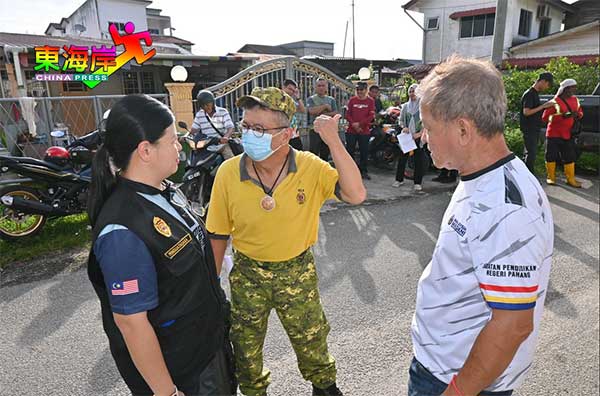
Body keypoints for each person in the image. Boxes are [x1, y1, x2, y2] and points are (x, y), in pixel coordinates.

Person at [206, 87, 366, 396]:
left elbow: (356, 194)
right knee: (245, 347)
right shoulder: (228, 173)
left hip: (297, 271)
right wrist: (211, 288)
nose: (251, 134)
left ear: (288, 132)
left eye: (261, 129)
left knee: (312, 338)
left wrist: (333, 140)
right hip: (248, 275)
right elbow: (217, 234)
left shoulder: (309, 166)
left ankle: (324, 387)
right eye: (247, 126)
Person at [409, 56, 554, 396]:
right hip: (443, 366)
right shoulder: (483, 176)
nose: (423, 137)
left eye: (429, 127)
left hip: (455, 381)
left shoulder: (503, 209)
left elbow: (512, 325)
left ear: (463, 129)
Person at [87, 94, 236, 396]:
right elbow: (131, 323)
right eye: (172, 140)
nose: (179, 147)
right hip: (180, 374)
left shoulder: (166, 192)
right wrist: (165, 392)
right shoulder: (121, 230)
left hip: (207, 348)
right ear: (145, 150)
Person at [542, 78, 584, 188]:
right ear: (565, 89)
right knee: (551, 155)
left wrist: (577, 115)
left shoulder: (575, 100)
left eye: (575, 88)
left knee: (569, 156)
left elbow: (580, 112)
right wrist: (562, 117)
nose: (574, 90)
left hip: (568, 133)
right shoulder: (554, 102)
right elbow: (545, 118)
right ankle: (551, 177)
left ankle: (570, 179)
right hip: (553, 134)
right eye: (572, 88)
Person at [520, 72, 555, 174]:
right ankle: (529, 176)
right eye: (547, 85)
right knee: (531, 154)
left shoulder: (535, 94)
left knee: (529, 153)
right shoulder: (530, 94)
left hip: (534, 128)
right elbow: (526, 112)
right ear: (543, 81)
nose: (547, 87)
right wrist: (543, 106)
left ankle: (525, 176)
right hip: (529, 128)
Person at [393, 84, 426, 191]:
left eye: (414, 91)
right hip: (407, 137)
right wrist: (404, 127)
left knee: (418, 160)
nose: (412, 94)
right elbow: (401, 120)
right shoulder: (405, 106)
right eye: (410, 92)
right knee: (402, 159)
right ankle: (399, 180)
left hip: (417, 137)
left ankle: (417, 182)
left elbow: (426, 123)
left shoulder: (423, 107)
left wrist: (420, 133)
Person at [191, 90, 236, 160]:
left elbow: (230, 127)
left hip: (221, 144)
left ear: (213, 102)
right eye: (204, 105)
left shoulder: (223, 112)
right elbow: (194, 129)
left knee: (229, 159)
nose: (207, 107)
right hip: (205, 144)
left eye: (208, 104)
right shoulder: (199, 114)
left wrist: (226, 137)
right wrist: (186, 136)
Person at [345, 81, 375, 180]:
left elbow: (371, 116)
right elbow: (347, 114)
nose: (359, 92)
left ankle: (363, 171)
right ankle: (350, 171)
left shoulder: (370, 101)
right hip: (351, 130)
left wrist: (360, 124)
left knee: (364, 152)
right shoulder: (352, 100)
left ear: (366, 90)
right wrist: (354, 124)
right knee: (350, 151)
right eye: (357, 89)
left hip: (364, 130)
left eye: (361, 90)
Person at [307, 78, 338, 161]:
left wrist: (323, 114)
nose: (321, 88)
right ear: (315, 87)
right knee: (313, 154)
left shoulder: (331, 100)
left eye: (323, 85)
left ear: (326, 87)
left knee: (325, 153)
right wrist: (325, 106)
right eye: (319, 85)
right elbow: (311, 111)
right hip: (315, 130)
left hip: (327, 130)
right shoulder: (311, 99)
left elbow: (335, 113)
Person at [282, 78, 307, 150]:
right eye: (289, 89)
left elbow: (303, 110)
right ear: (283, 87)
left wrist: (298, 96)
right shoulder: (277, 100)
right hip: (283, 134)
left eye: (293, 90)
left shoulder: (291, 101)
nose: (291, 92)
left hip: (294, 134)